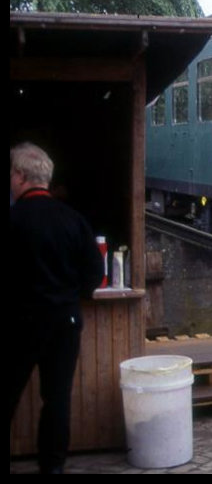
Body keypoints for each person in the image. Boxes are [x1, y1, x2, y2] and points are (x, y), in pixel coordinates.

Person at [9, 142, 104, 474]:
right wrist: (71, 296)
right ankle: (52, 468)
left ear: (20, 176)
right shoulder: (73, 220)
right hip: (65, 320)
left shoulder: (14, 219)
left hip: (20, 322)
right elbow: (95, 272)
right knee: (57, 399)